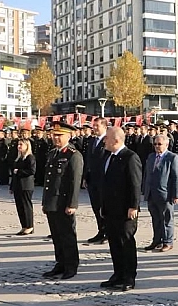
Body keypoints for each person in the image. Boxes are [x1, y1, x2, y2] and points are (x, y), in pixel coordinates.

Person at [99, 127, 142, 291]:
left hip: (125, 210)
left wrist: (134, 206)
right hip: (110, 209)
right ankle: (117, 274)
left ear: (116, 140)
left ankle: (129, 277)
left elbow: (135, 184)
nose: (104, 141)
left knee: (126, 243)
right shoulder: (108, 156)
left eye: (107, 138)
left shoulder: (130, 157)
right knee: (114, 243)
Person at [41, 122, 84, 280]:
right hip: (52, 202)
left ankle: (71, 266)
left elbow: (75, 181)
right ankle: (60, 263)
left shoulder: (73, 155)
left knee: (67, 236)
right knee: (56, 236)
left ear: (69, 136)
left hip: (64, 202)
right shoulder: (53, 153)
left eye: (59, 135)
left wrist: (72, 204)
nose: (56, 138)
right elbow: (49, 181)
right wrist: (45, 202)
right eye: (54, 135)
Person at [142, 134, 178, 252]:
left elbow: (176, 177)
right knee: (155, 218)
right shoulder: (151, 157)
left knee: (166, 218)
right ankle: (157, 240)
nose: (157, 146)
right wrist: (144, 190)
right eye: (155, 144)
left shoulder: (173, 158)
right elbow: (146, 174)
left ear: (166, 144)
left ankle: (168, 241)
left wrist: (176, 194)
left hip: (165, 194)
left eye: (159, 144)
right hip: (151, 193)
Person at [84, 118, 109, 244]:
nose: (94, 128)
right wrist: (85, 177)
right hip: (92, 180)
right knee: (95, 207)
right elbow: (88, 160)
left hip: (103, 180)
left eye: (97, 125)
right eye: (93, 125)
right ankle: (101, 231)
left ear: (104, 126)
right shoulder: (92, 140)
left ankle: (107, 232)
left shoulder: (108, 141)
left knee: (103, 207)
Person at [10, 139, 36, 235]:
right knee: (19, 207)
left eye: (21, 144)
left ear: (27, 146)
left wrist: (19, 171)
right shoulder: (19, 158)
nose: (19, 146)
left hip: (26, 185)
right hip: (18, 185)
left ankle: (29, 226)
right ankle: (24, 225)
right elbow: (14, 174)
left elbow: (32, 171)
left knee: (26, 206)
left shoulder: (30, 157)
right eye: (18, 144)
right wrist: (12, 187)